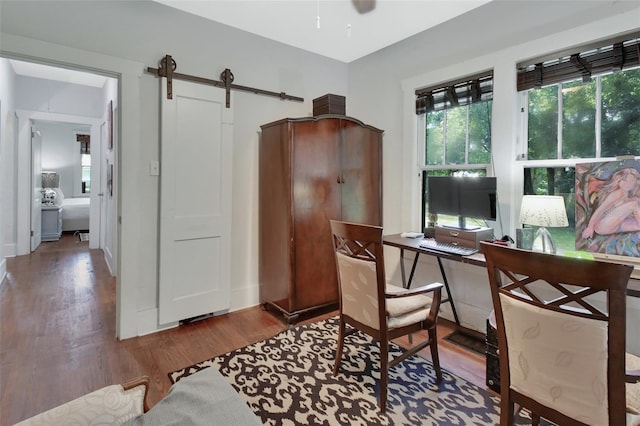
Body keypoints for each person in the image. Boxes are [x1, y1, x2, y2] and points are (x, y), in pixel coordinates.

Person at [582, 167, 640, 239]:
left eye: (632, 181)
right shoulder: (617, 193)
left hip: (616, 224)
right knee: (633, 204)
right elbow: (600, 210)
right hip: (602, 225)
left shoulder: (626, 194)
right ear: (619, 181)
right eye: (626, 181)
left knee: (637, 224)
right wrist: (590, 228)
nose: (629, 184)